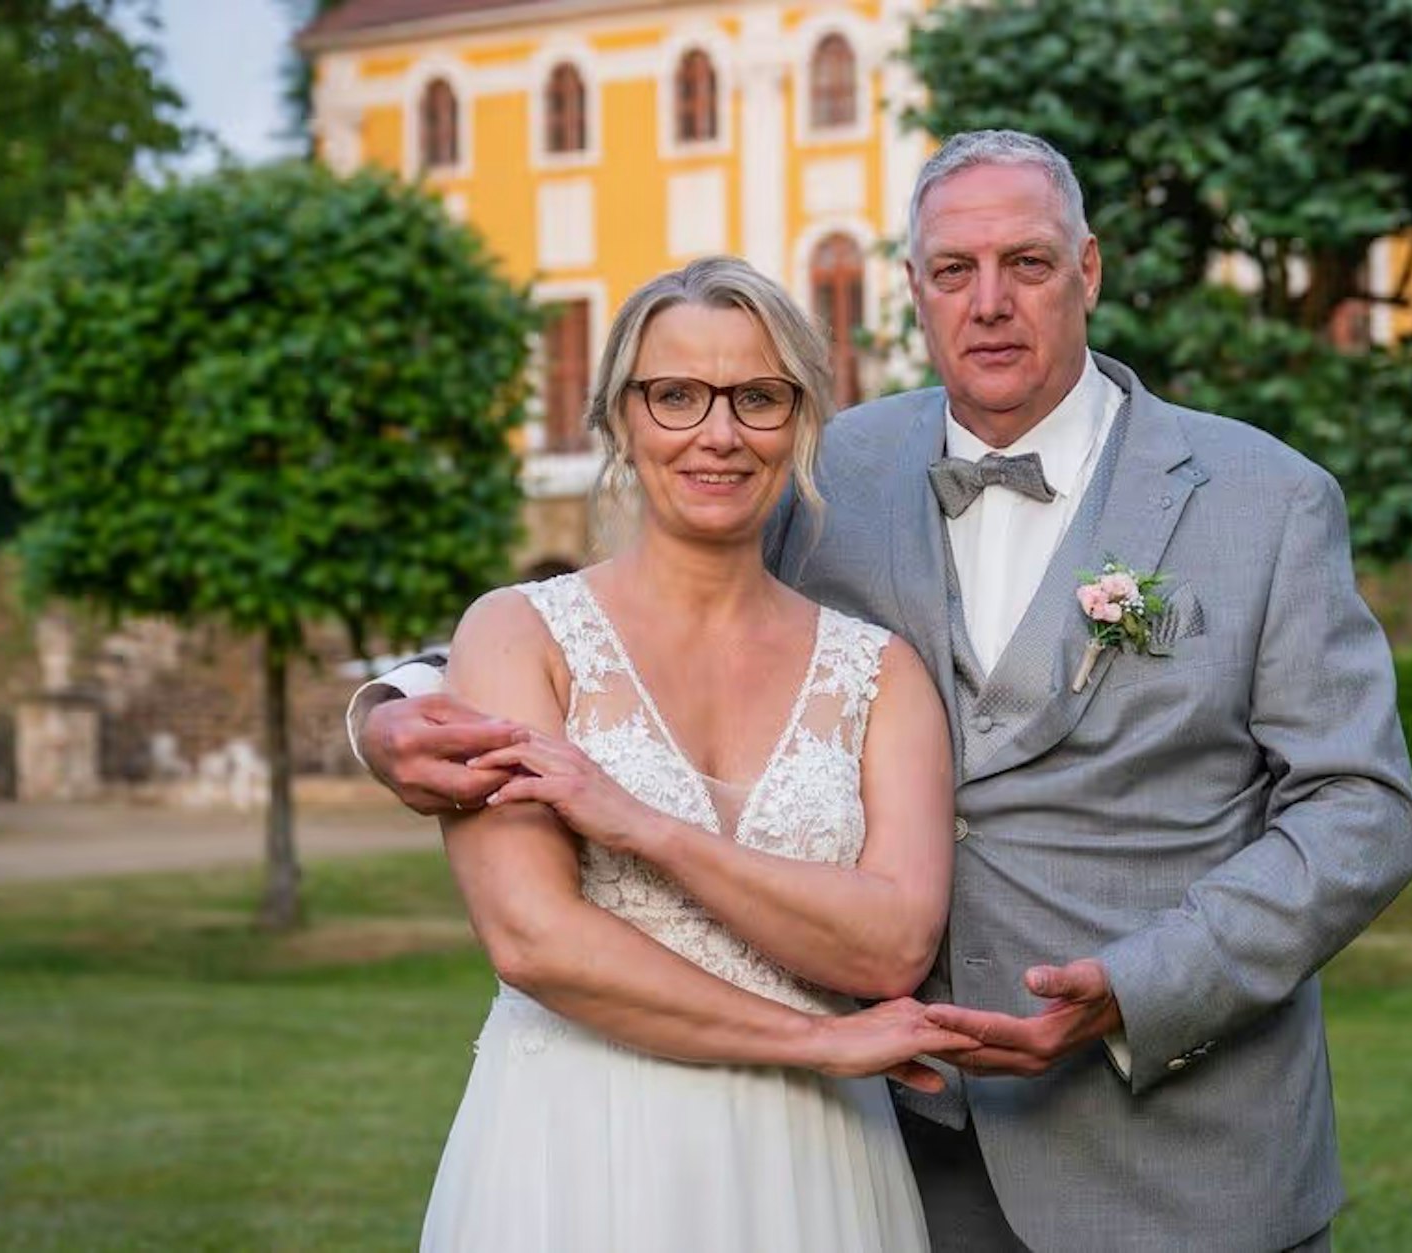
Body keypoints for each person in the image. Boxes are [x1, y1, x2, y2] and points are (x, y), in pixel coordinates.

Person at [356, 131, 1412, 1252]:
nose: (989, 303)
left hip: (1177, 1153)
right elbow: (638, 610)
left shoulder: (1265, 498)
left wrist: (1143, 984)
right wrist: (389, 710)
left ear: (1089, 269)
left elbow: (1361, 809)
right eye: (953, 271)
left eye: (1028, 263)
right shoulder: (829, 470)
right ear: (912, 286)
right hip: (896, 1147)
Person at [396, 256, 977, 1252]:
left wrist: (645, 828)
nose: (718, 433)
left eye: (756, 396)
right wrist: (815, 1038)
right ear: (620, 417)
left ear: (798, 422)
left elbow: (889, 944)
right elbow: (534, 939)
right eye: (675, 395)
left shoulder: (879, 670)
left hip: (817, 1160)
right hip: (578, 1142)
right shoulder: (516, 633)